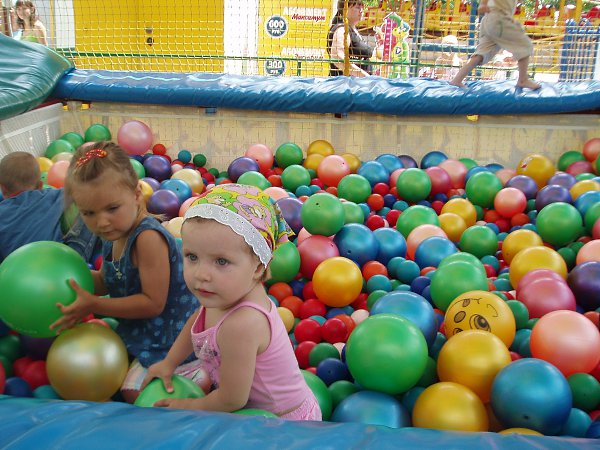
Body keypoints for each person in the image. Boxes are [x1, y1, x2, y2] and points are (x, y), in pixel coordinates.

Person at [141, 184, 322, 421]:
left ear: (257, 268)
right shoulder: (225, 292)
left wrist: (187, 406)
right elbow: (197, 320)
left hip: (284, 423)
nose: (201, 274)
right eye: (192, 257)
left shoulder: (243, 324)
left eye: (221, 262)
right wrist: (169, 363)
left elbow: (233, 399)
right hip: (247, 408)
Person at [49, 142, 198, 403]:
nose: (102, 221)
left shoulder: (147, 238)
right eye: (88, 213)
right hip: (140, 331)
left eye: (112, 208)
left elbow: (153, 303)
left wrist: (94, 305)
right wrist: (67, 282)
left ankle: (196, 372)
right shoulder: (114, 233)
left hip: (172, 339)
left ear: (137, 194)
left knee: (133, 393)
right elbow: (109, 280)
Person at [0, 151, 99, 264]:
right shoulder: (53, 195)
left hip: (19, 269)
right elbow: (81, 190)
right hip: (63, 263)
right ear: (40, 185)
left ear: (2, 188)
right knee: (87, 212)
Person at [449, 0, 540, 90]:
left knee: (481, 54)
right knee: (524, 45)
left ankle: (457, 80)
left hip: (489, 20)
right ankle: (523, 79)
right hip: (499, 19)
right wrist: (483, 4)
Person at [327, 0, 375, 77]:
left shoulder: (353, 30)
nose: (361, 10)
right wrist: (364, 76)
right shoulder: (342, 29)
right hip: (345, 82)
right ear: (345, 9)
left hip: (357, 82)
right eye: (358, 7)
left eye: (362, 7)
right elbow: (337, 58)